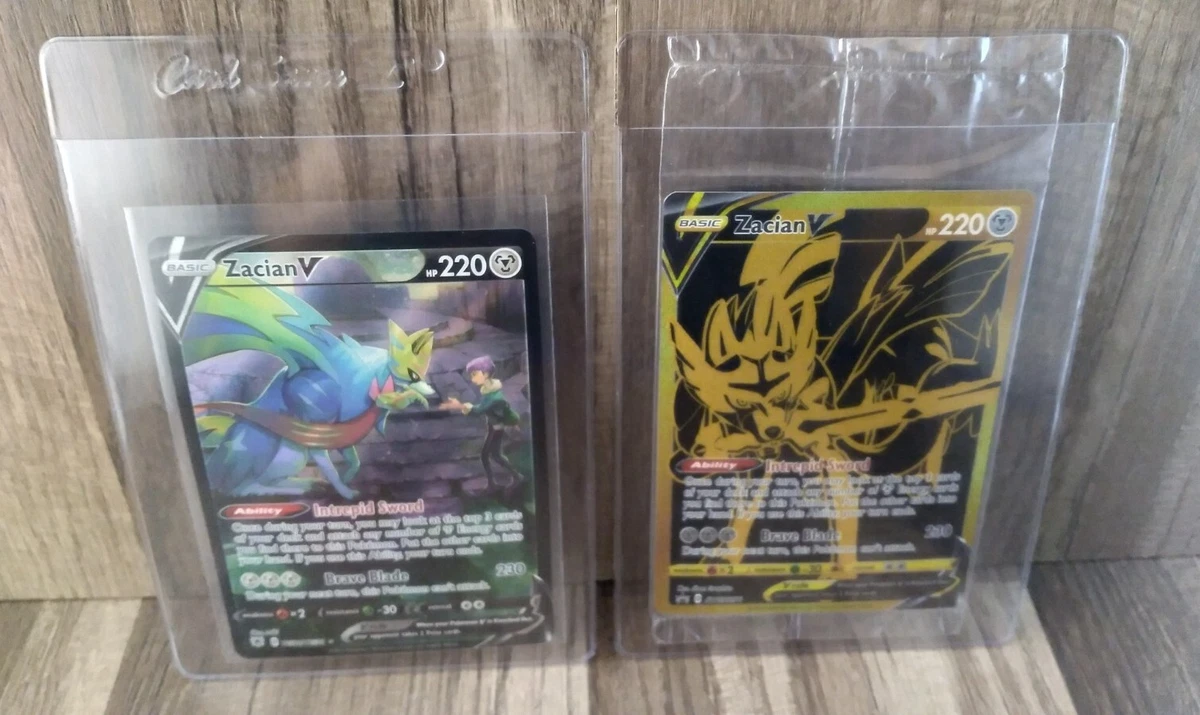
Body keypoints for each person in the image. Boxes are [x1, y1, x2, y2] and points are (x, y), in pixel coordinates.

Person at [441, 356, 523, 490]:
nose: (472, 378)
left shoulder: (494, 396)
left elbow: (480, 410)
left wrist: (459, 405)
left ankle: (505, 479)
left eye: (474, 374)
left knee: (489, 455)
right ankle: (500, 480)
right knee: (493, 455)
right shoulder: (489, 391)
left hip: (496, 428)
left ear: (485, 374)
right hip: (493, 427)